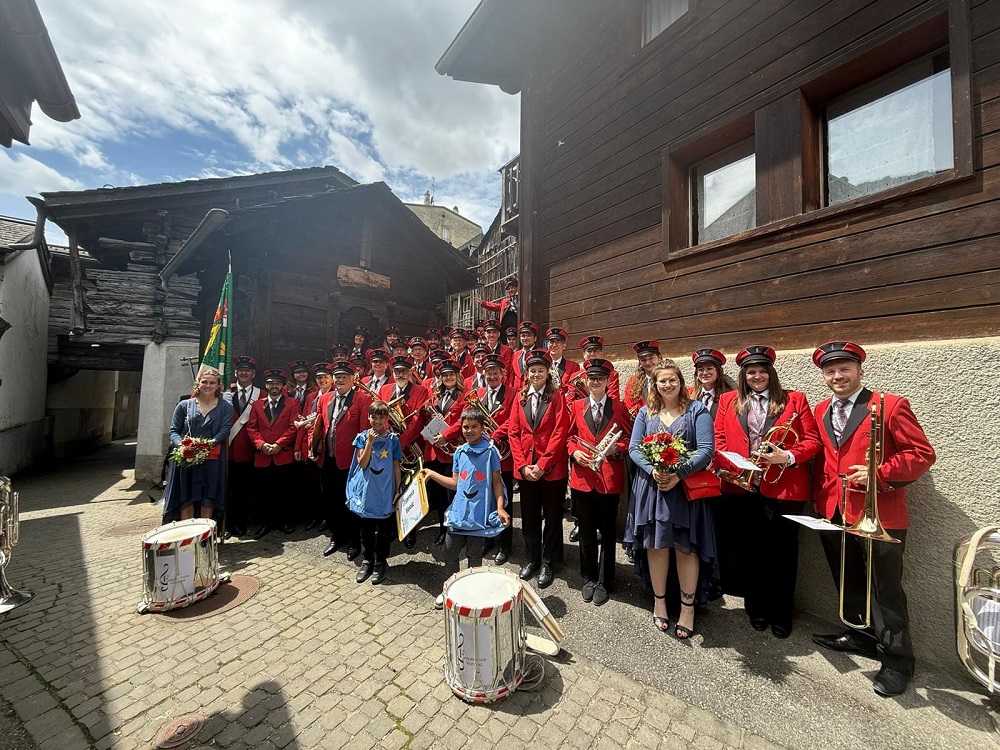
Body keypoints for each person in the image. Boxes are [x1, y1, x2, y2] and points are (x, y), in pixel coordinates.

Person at [810, 341, 935, 697]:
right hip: (835, 510)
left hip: (880, 513)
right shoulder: (821, 409)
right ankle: (861, 636)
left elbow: (922, 454)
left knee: (886, 590)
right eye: (830, 371)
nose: (838, 376)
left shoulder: (890, 405)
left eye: (844, 368)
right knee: (848, 578)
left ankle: (897, 660)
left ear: (859, 371)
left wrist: (878, 473)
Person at [713, 346, 821, 638]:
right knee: (751, 549)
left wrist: (786, 457)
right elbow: (719, 438)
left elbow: (812, 441)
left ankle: (781, 612)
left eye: (762, 371)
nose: (757, 376)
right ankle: (756, 607)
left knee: (783, 552)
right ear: (743, 375)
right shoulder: (728, 400)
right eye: (751, 372)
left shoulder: (794, 399)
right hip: (744, 486)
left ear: (770, 374)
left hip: (783, 487)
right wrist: (731, 465)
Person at [626, 362, 716, 639]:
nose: (667, 385)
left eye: (672, 380)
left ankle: (688, 608)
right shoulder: (645, 412)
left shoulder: (696, 410)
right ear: (654, 385)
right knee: (656, 545)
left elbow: (706, 450)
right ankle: (660, 602)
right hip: (652, 488)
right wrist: (653, 469)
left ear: (681, 381)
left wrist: (678, 473)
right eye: (662, 381)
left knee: (685, 548)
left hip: (684, 489)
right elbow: (634, 448)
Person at [423, 407, 510, 608]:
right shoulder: (459, 452)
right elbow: (455, 483)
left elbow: (497, 482)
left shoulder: (490, 452)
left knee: (474, 556)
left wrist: (500, 508)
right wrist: (432, 474)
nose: (469, 431)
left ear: (482, 427)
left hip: (478, 514)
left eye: (474, 427)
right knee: (451, 552)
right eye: (465, 427)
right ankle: (450, 590)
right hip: (459, 512)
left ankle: (473, 593)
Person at [567, 358, 631, 605]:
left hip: (608, 479)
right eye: (591, 378)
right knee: (585, 532)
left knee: (607, 532)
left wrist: (617, 450)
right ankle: (589, 577)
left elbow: (627, 437)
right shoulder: (576, 406)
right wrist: (574, 452)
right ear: (586, 380)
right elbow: (569, 437)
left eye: (600, 379)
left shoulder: (620, 407)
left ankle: (606, 580)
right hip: (584, 478)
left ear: (607, 382)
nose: (595, 382)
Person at [507, 349, 569, 588]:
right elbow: (514, 432)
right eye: (532, 370)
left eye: (540, 370)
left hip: (550, 469)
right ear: (527, 372)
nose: (536, 374)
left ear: (547, 373)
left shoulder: (557, 396)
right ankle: (531, 558)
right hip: (525, 470)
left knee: (552, 517)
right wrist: (522, 465)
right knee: (530, 517)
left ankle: (548, 562)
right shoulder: (520, 397)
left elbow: (560, 432)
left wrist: (542, 465)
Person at [310, 361, 373, 560]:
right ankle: (337, 537)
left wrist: (362, 460)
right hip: (328, 458)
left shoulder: (362, 399)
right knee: (331, 500)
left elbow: (364, 433)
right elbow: (317, 426)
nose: (340, 380)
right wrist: (313, 446)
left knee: (352, 503)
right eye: (337, 377)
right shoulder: (325, 398)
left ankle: (355, 541)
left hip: (351, 461)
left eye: (345, 376)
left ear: (353, 379)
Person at [689, 348, 736, 601]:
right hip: (695, 472)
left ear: (719, 372)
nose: (705, 372)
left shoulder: (731, 397)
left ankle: (718, 577)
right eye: (700, 369)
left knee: (720, 526)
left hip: (720, 471)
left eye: (710, 368)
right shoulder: (689, 396)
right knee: (699, 525)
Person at [164, 367, 234, 524]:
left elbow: (225, 429)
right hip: (185, 458)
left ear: (218, 386)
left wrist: (209, 444)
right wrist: (183, 446)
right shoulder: (184, 405)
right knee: (185, 495)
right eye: (204, 382)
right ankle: (186, 538)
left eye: (212, 382)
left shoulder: (226, 407)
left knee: (208, 495)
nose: (208, 385)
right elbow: (174, 431)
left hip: (213, 458)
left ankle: (204, 536)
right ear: (198, 383)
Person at [347, 401, 402, 585]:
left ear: (387, 419)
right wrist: (370, 443)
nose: (377, 421)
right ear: (369, 417)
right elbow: (362, 463)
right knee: (367, 529)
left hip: (385, 490)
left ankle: (380, 561)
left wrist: (398, 488)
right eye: (374, 417)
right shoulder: (362, 437)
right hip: (368, 491)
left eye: (381, 417)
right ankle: (367, 559)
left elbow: (396, 465)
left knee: (384, 530)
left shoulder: (393, 440)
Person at [246, 369, 301, 538]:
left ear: (283, 386)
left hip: (282, 455)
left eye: (277, 383)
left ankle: (284, 521)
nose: (274, 386)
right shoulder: (257, 404)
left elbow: (294, 426)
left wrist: (278, 444)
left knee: (285, 491)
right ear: (266, 385)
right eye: (271, 383)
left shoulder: (292, 403)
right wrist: (261, 444)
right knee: (264, 492)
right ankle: (266, 523)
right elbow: (252, 427)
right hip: (263, 456)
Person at [424, 359, 467, 545]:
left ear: (457, 377)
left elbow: (462, 421)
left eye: (451, 374)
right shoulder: (434, 397)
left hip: (452, 452)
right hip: (434, 451)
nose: (448, 377)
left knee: (454, 494)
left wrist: (446, 435)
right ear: (440, 378)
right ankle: (444, 529)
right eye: (444, 375)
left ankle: (458, 530)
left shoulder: (465, 396)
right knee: (439, 495)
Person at [227, 355, 262, 537]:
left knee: (244, 491)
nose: (243, 373)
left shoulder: (261, 395)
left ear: (253, 374)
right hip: (227, 451)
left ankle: (242, 523)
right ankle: (227, 524)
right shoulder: (225, 392)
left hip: (249, 451)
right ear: (235, 372)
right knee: (227, 490)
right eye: (240, 370)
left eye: (247, 370)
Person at [297, 362, 334, 531]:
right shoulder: (312, 396)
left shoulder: (335, 395)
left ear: (331, 379)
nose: (322, 380)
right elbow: (304, 421)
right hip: (311, 445)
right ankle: (316, 516)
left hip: (327, 447)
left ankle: (328, 517)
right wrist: (299, 446)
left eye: (325, 377)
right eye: (319, 378)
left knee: (327, 485)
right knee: (312, 485)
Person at [623, 341, 661, 419]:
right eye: (643, 360)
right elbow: (629, 406)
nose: (648, 362)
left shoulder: (668, 378)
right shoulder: (633, 382)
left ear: (659, 357)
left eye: (651, 358)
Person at [512, 321, 540, 389]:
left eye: (529, 335)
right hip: (517, 394)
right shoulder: (515, 355)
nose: (525, 338)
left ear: (535, 338)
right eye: (523, 335)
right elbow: (512, 377)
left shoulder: (541, 353)